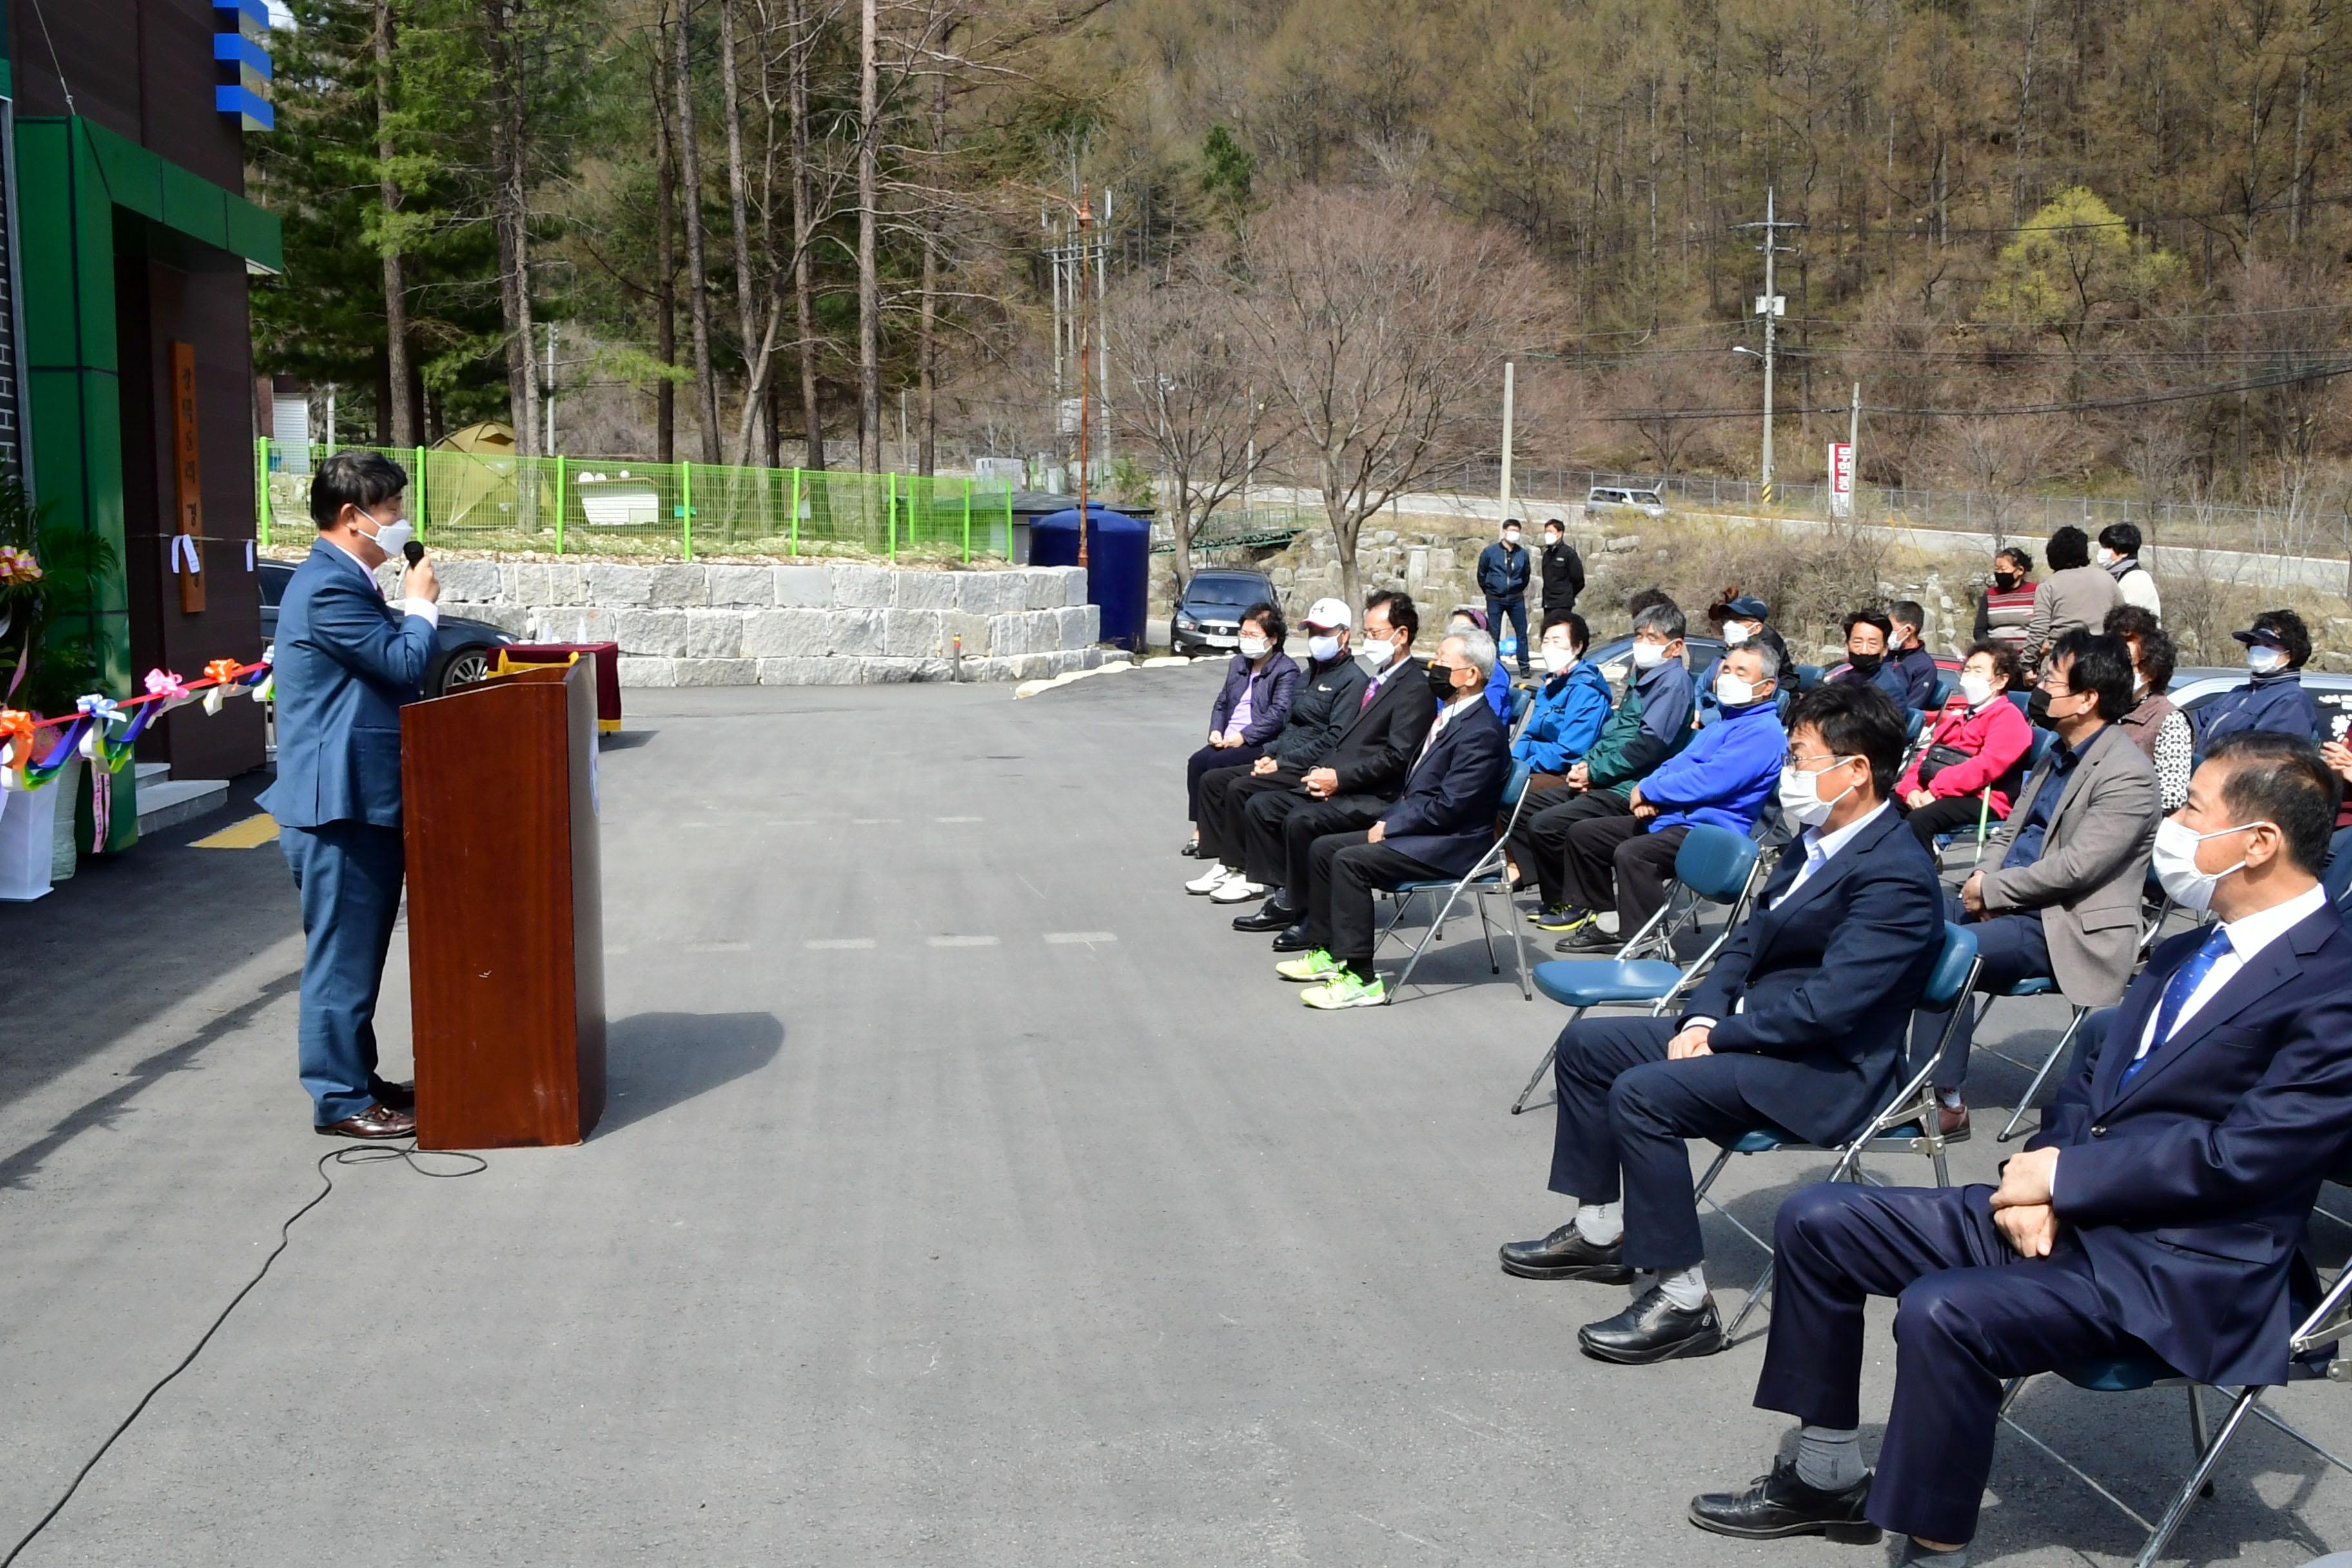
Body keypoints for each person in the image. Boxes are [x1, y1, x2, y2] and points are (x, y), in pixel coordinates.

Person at [1690, 732, 2352, 1563]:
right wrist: (2036, 1180)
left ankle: (1934, 1547)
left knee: (1945, 1308)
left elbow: (2252, 1155)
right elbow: (2090, 1085)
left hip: (2184, 1262)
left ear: (2259, 843)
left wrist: (2067, 1178)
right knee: (1819, 1217)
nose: (2172, 828)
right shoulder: (2188, 947)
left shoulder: (2335, 984)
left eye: (2191, 809)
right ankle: (1824, 1475)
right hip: (2068, 1213)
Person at [1500, 683, 1941, 1364]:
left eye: (1800, 757)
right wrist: (1706, 1009)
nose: (1790, 772)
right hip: (1760, 1031)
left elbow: (1833, 1006)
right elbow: (1748, 939)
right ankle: (1602, 1229)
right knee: (1591, 1043)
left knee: (1644, 1092)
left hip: (1827, 1069)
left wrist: (1722, 1033)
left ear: (1856, 769)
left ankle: (1683, 1301)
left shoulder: (1897, 875)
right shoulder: (1816, 838)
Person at [259, 449, 441, 1141]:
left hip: (357, 799)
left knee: (356, 953)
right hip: (338, 805)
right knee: (341, 958)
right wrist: (420, 608)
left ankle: (360, 1078)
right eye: (392, 509)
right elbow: (400, 662)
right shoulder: (330, 586)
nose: (399, 523)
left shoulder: (344, 580)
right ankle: (339, 1097)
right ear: (351, 515)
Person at [1910, 631, 2158, 1137]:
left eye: (2050, 679)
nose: (2038, 687)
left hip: (2064, 924)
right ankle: (1880, 1067)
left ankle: (1942, 1098)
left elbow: (2077, 869)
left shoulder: (2127, 774)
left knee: (1948, 951)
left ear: (2088, 698)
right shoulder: (2056, 754)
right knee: (1910, 920)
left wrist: (1994, 892)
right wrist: (1983, 876)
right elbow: (2010, 828)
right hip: (2010, 902)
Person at [1277, 627, 1511, 1008]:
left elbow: (1452, 806)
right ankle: (1328, 950)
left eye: (1443, 663)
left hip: (1454, 843)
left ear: (1471, 675)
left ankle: (1361, 978)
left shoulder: (1482, 732)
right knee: (1322, 848)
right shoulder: (1451, 715)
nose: (1433, 668)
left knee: (1351, 862)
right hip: (1423, 825)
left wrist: (1393, 825)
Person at [1551, 643, 1788, 952]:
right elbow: (1677, 763)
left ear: (1767, 686)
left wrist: (1650, 791)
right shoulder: (1726, 722)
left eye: (1741, 672)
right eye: (1726, 669)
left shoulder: (1763, 733)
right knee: (1585, 835)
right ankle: (1610, 922)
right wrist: (1648, 789)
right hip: (1675, 817)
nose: (1728, 677)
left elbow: (1711, 781)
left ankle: (1647, 943)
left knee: (1634, 853)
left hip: (1709, 832)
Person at [1227, 593, 1438, 928]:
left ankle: (1308, 913)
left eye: (1375, 633)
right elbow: (1346, 741)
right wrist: (1320, 771)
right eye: (1367, 633)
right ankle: (1289, 895)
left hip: (1376, 795)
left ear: (1401, 635)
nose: (1368, 641)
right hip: (1344, 779)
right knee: (1262, 805)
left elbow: (1396, 757)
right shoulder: (1379, 679)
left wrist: (1339, 779)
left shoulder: (1413, 688)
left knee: (1301, 819)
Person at [1511, 601, 1697, 932]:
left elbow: (1648, 747)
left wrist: (1594, 773)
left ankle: (1586, 904)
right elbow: (1614, 733)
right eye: (1639, 635)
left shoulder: (1672, 684)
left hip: (1629, 786)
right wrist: (1587, 765)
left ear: (1676, 646)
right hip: (1607, 777)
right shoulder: (1646, 677)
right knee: (1527, 806)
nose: (1642, 644)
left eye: (1652, 638)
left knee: (1550, 822)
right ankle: (1556, 897)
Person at [1188, 601, 1365, 887]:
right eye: (1311, 632)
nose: (1315, 640)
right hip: (1284, 757)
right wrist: (1270, 755)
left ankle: (1251, 874)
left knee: (1241, 788)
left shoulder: (1351, 680)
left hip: (1309, 767)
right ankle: (1228, 863)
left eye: (1324, 632)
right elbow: (1289, 725)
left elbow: (1334, 738)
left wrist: (1280, 762)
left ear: (1344, 635)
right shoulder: (1309, 675)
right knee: (1213, 779)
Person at [1182, 602, 1298, 854]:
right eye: (1243, 634)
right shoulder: (1238, 664)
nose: (1246, 641)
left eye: (1253, 636)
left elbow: (1278, 714)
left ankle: (1219, 833)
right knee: (1197, 763)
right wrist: (1216, 729)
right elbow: (1223, 701)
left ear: (1273, 639)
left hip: (1257, 742)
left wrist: (1243, 737)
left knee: (1216, 767)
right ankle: (1202, 828)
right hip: (1227, 737)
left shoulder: (1286, 670)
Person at [1894, 642, 2032, 849]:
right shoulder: (1959, 717)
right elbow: (1926, 757)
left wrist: (1936, 791)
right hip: (1941, 789)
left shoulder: (2008, 717)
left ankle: (1919, 875)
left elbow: (1985, 767)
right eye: (1967, 670)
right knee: (1885, 809)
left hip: (1985, 797)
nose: (1970, 677)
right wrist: (1910, 789)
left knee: (1920, 820)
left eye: (1978, 671)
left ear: (2001, 680)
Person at [2193, 609, 2322, 753]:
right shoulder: (2239, 693)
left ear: (2291, 654)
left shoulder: (2290, 700)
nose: (2259, 649)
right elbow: (2195, 724)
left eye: (2269, 645)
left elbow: (2265, 757)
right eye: (2256, 643)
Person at [2106, 605, 2192, 813]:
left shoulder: (2170, 720)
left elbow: (2172, 795)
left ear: (2151, 671)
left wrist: (2114, 804)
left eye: (2129, 667)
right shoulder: (2105, 710)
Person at [1514, 612, 1613, 778]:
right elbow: (1529, 735)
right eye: (1545, 642)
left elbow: (1570, 751)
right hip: (1536, 764)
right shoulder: (1549, 685)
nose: (1549, 648)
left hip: (1565, 771)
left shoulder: (1587, 690)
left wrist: (1521, 769)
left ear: (1577, 647)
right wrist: (1513, 761)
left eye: (1556, 642)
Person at [2021, 525, 2122, 672]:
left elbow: (2038, 629)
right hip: (2103, 659)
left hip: (2065, 661)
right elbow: (2122, 619)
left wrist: (2027, 664)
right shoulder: (2107, 579)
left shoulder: (2049, 585)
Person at [1694, 593, 1790, 724]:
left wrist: (1704, 717)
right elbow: (1700, 687)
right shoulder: (1724, 657)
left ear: (1757, 628)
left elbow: (1738, 710)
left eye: (1738, 620)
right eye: (1728, 619)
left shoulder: (1765, 656)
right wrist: (1695, 712)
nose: (1730, 625)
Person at [1476, 518, 1534, 676]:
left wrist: (1517, 587)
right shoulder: (1490, 552)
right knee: (1493, 633)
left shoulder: (1522, 554)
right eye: (1511, 530)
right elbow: (1481, 574)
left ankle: (1524, 667)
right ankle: (1496, 667)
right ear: (1504, 532)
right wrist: (1489, 590)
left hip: (1516, 598)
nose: (1514, 534)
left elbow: (1526, 575)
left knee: (1521, 633)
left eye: (1517, 531)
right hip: (1495, 598)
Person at [1826, 610, 1912, 710]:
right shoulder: (1840, 680)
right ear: (1847, 645)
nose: (1864, 651)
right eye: (1858, 643)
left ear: (1885, 649)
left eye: (1872, 644)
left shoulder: (1890, 689)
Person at [1445, 605, 1513, 721]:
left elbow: (1489, 713)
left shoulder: (1493, 670)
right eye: (1452, 630)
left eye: (1464, 631)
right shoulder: (1447, 664)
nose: (1455, 635)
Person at [1972, 546, 2037, 662]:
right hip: (1997, 659)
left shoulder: (2036, 592)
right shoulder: (1990, 594)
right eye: (1997, 569)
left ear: (2020, 570)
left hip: (2027, 659)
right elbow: (1979, 631)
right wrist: (1993, 651)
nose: (1999, 573)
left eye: (2003, 569)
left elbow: (2042, 626)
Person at [2097, 521, 2162, 619]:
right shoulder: (2120, 575)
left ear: (2124, 552)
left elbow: (2131, 621)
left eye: (2109, 548)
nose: (2103, 552)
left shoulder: (2135, 579)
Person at [1886, 601, 1939, 710]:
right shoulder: (1886, 656)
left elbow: (1912, 708)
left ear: (1908, 630)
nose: (1885, 634)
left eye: (1890, 629)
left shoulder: (1924, 667)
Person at [1540, 519, 1584, 619]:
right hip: (1548, 602)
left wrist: (1566, 594)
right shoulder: (1547, 554)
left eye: (1551, 532)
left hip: (1563, 603)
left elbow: (1579, 580)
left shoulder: (1568, 554)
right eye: (1546, 532)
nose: (1547, 534)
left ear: (1560, 533)